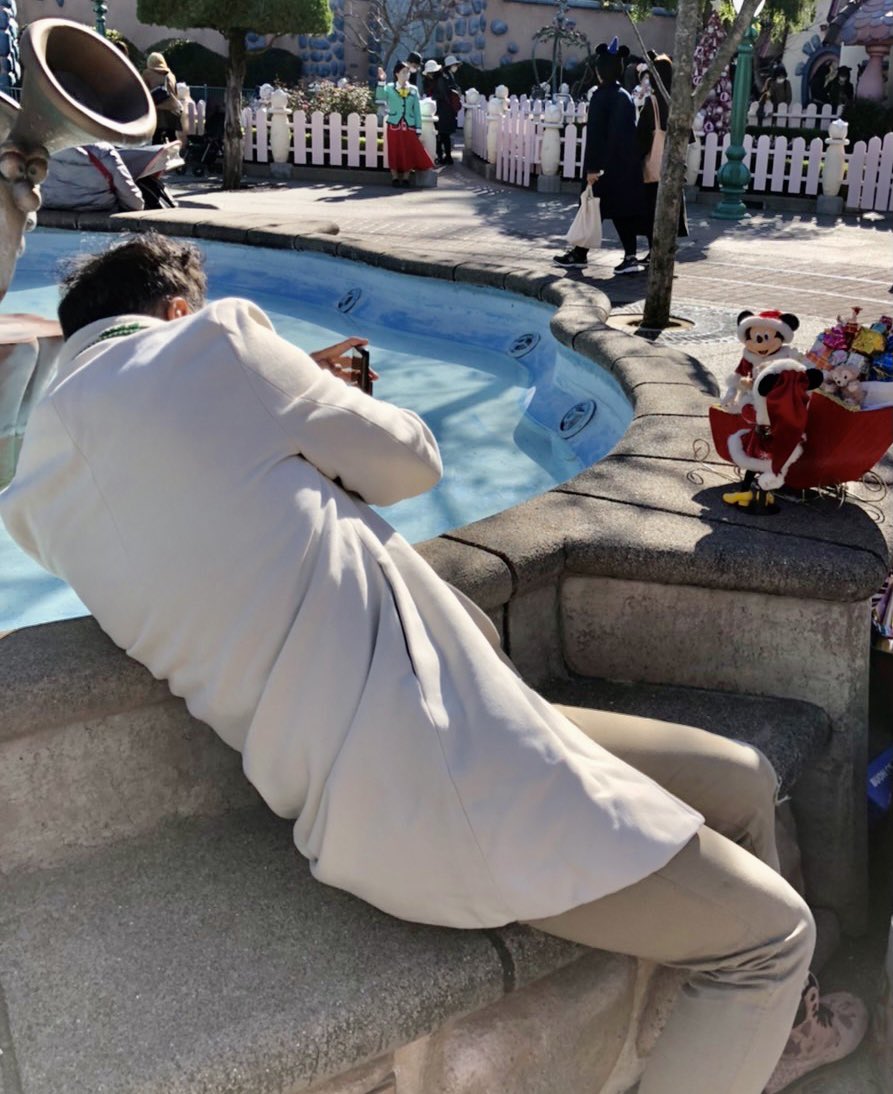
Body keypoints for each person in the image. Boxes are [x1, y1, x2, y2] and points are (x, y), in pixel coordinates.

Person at [0, 231, 868, 1094]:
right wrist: (316, 394)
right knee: (771, 939)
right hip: (452, 772)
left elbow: (208, 528)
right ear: (174, 309)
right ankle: (752, 1021)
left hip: (406, 759)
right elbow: (411, 463)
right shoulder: (214, 341)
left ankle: (756, 1024)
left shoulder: (34, 500)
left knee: (740, 776)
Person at [554, 39, 647, 274]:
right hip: (624, 165)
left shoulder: (600, 96)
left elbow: (596, 135)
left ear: (600, 71)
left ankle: (581, 254)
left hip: (603, 168)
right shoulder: (624, 96)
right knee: (618, 211)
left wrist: (593, 168)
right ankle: (624, 256)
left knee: (591, 207)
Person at [636, 52, 688, 269]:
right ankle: (667, 252)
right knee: (670, 214)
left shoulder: (653, 103)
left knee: (652, 212)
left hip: (655, 170)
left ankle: (654, 252)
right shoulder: (679, 104)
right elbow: (688, 138)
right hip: (674, 169)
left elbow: (641, 139)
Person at [39, 142, 144, 214]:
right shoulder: (103, 153)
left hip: (48, 222)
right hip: (103, 223)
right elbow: (135, 203)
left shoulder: (37, 152)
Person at [375, 62, 433, 187]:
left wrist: (418, 128)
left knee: (409, 150)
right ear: (397, 73)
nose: (406, 75)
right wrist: (382, 81)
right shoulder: (389, 87)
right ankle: (395, 177)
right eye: (403, 72)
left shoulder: (413, 89)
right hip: (394, 124)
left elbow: (416, 110)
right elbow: (379, 97)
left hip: (409, 125)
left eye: (407, 72)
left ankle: (406, 177)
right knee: (393, 150)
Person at [422, 58, 458, 166]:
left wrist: (431, 98)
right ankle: (446, 157)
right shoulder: (443, 78)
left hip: (442, 110)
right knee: (444, 135)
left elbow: (441, 95)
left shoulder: (440, 80)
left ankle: (443, 156)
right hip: (445, 110)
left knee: (441, 135)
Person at [142, 51, 183, 144]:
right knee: (172, 136)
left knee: (157, 137)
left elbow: (144, 91)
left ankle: (158, 153)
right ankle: (175, 152)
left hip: (158, 110)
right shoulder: (171, 75)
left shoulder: (147, 73)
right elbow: (175, 93)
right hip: (173, 110)